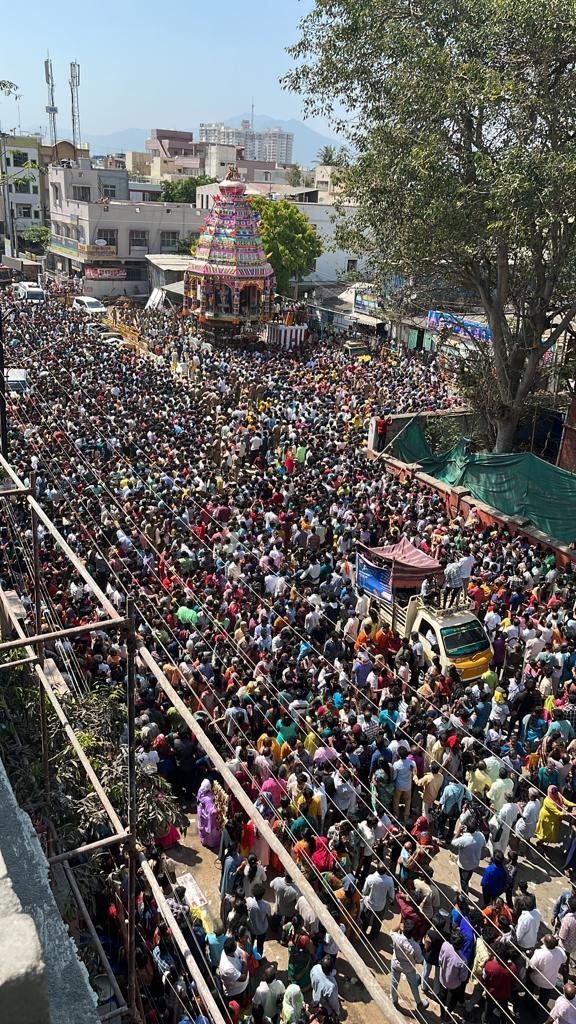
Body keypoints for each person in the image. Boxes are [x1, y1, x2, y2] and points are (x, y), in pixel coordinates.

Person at [390, 919, 429, 1011]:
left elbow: (391, 931)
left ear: (403, 929)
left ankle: (394, 1000)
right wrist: (426, 946)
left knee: (394, 982)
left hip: (396, 963)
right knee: (413, 986)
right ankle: (419, 1003)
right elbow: (420, 960)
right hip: (409, 968)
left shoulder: (396, 937)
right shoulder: (415, 946)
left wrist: (399, 926)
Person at [529, 934, 567, 1006]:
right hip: (550, 981)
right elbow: (564, 960)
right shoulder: (560, 952)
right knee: (544, 998)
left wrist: (528, 974)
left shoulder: (539, 953)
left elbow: (531, 966)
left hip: (536, 979)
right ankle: (540, 1009)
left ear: (545, 943)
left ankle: (528, 999)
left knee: (530, 987)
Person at [361, 863, 395, 938]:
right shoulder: (389, 880)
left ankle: (362, 933)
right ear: (386, 871)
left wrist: (365, 895)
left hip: (369, 904)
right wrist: (391, 900)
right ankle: (373, 936)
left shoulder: (370, 878)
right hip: (381, 905)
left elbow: (364, 891)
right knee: (377, 922)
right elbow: (392, 893)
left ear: (377, 869)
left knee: (365, 920)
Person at [451, 823, 486, 894]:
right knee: (468, 876)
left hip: (464, 865)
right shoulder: (480, 835)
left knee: (463, 881)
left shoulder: (464, 839)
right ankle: (466, 885)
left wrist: (458, 832)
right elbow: (484, 844)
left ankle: (465, 895)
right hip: (474, 862)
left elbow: (453, 842)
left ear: (467, 828)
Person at [218, 936, 249, 1003]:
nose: (237, 945)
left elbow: (244, 953)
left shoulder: (228, 950)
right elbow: (243, 978)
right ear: (233, 950)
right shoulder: (227, 967)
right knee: (238, 1004)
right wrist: (245, 960)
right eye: (236, 945)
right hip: (236, 992)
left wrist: (244, 956)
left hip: (242, 987)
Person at [196, 779, 222, 849]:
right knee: (209, 831)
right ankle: (210, 843)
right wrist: (219, 810)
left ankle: (203, 841)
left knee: (202, 827)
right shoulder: (208, 800)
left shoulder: (200, 790)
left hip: (201, 812)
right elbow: (212, 811)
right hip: (207, 816)